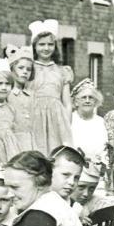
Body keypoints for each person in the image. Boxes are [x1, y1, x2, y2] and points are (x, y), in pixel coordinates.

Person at [28, 19, 74, 154]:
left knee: (56, 154)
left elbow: (67, 103)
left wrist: (66, 125)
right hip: (34, 116)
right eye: (41, 44)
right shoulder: (28, 69)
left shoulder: (62, 71)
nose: (46, 48)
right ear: (34, 46)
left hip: (57, 120)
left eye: (50, 44)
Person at [70, 78, 109, 165]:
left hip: (97, 168)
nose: (87, 101)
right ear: (76, 102)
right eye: (83, 97)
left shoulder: (101, 122)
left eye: (90, 98)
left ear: (95, 102)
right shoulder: (69, 120)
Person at [5, 45, 35, 152]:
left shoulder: (32, 95)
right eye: (21, 68)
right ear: (11, 69)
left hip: (31, 142)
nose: (25, 72)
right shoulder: (7, 95)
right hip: (14, 143)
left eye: (28, 69)